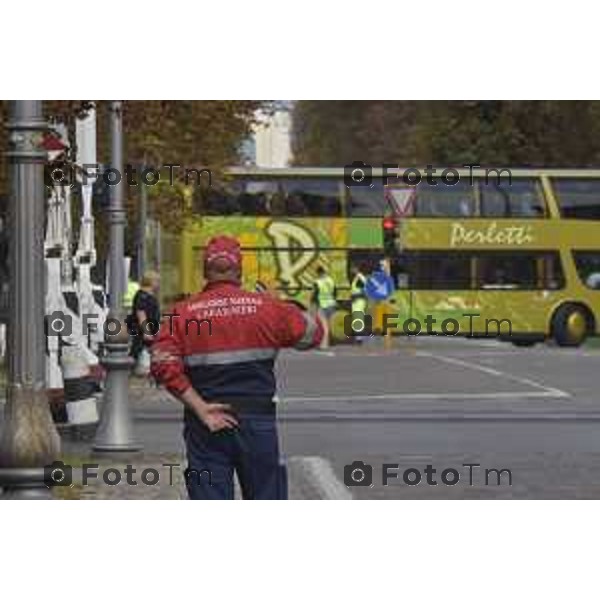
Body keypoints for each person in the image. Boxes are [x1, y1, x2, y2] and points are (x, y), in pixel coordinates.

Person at [150, 236, 323, 500]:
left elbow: (163, 365)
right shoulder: (268, 308)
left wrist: (200, 409)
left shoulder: (181, 313)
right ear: (240, 270)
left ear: (205, 271)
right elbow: (314, 334)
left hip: (205, 424)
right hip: (258, 423)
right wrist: (280, 306)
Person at [129, 271, 161, 373]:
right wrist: (146, 332)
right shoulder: (142, 296)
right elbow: (141, 313)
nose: (159, 284)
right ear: (151, 282)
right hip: (141, 331)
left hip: (149, 330)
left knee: (140, 352)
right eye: (157, 281)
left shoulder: (149, 296)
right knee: (136, 351)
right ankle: (127, 373)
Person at [312, 265, 337, 349]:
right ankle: (328, 343)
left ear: (319, 273)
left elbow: (315, 295)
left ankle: (324, 345)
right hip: (331, 304)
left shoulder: (317, 282)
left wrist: (313, 305)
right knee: (328, 325)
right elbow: (335, 293)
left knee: (323, 326)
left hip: (322, 305)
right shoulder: (331, 281)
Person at [349, 264, 368, 339]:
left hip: (359, 302)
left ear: (356, 268)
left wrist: (355, 296)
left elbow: (365, 291)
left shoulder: (360, 278)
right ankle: (358, 336)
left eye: (352, 268)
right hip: (357, 301)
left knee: (358, 318)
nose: (351, 270)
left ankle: (359, 338)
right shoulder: (357, 277)